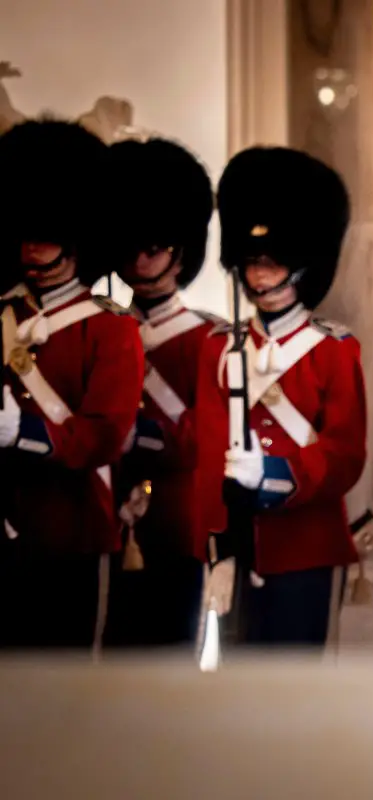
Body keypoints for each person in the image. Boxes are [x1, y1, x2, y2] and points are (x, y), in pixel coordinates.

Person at [194, 146, 365, 651]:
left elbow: (345, 455)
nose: (261, 276)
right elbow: (208, 459)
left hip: (308, 548)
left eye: (274, 263)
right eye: (252, 263)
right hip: (239, 549)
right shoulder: (218, 348)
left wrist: (274, 476)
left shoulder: (334, 350)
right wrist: (217, 550)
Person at [0, 119, 144, 650]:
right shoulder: (6, 311)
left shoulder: (110, 319)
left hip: (75, 529)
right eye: (26, 235)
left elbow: (106, 435)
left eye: (46, 236)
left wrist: (23, 432)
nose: (33, 249)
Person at [100, 136, 219, 651]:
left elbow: (204, 439)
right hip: (103, 519)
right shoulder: (102, 329)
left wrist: (137, 435)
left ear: (179, 251)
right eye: (132, 248)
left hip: (175, 524)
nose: (143, 261)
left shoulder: (207, 338)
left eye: (156, 248)